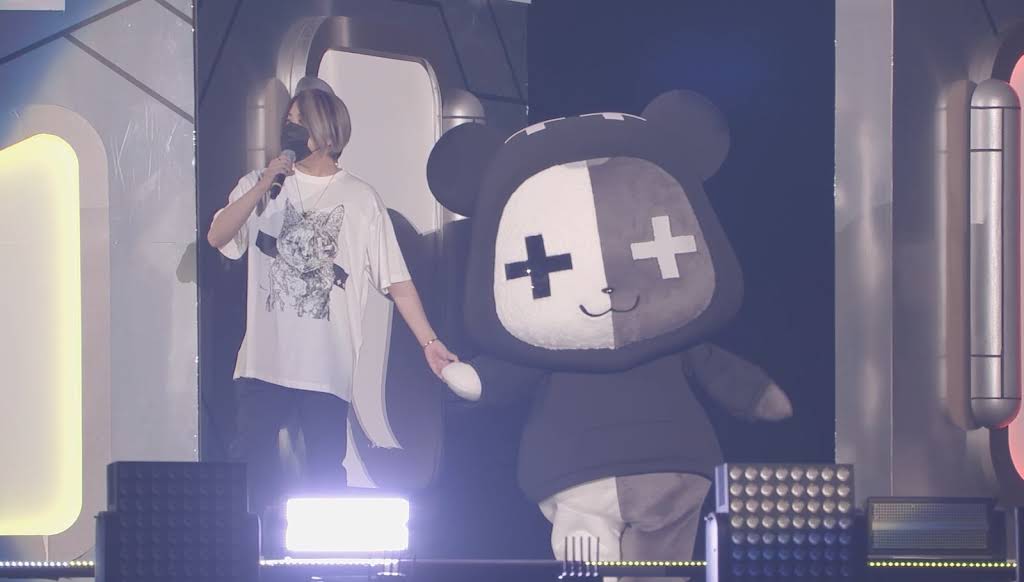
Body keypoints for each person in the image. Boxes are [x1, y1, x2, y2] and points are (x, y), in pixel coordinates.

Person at [207, 87, 458, 518]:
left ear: (326, 133)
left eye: (299, 121)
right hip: (263, 364)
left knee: (323, 479)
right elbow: (217, 236)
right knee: (249, 475)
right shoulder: (260, 185)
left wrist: (429, 342)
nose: (289, 128)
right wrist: (264, 184)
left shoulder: (361, 199)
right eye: (287, 121)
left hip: (325, 369)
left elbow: (398, 282)